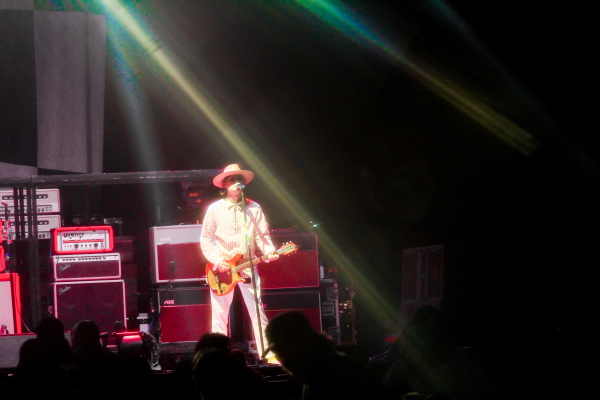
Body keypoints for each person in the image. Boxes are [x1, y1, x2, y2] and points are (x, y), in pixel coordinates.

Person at [200, 164, 278, 360]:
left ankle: (268, 355)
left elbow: (263, 237)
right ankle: (216, 357)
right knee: (219, 315)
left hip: (248, 266)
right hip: (223, 269)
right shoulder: (215, 209)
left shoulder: (253, 208)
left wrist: (270, 252)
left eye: (240, 179)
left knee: (257, 312)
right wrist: (218, 261)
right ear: (224, 184)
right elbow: (205, 239)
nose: (237, 183)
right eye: (233, 179)